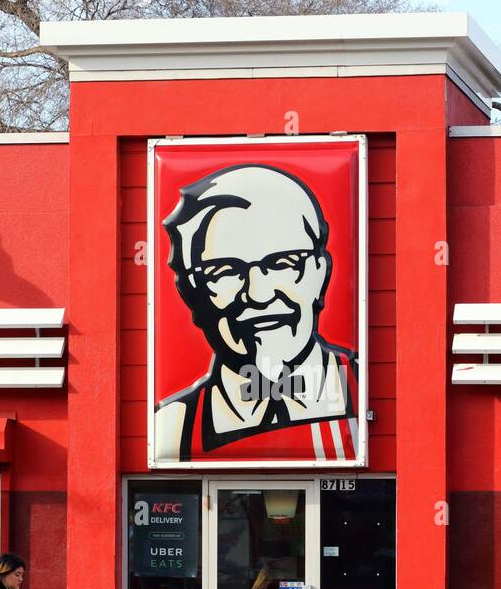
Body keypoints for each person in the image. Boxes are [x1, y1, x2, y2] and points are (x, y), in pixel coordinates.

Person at [154, 163, 359, 462]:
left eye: (283, 263)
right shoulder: (171, 428)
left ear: (319, 273)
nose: (259, 294)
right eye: (224, 270)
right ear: (192, 291)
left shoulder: (365, 394)